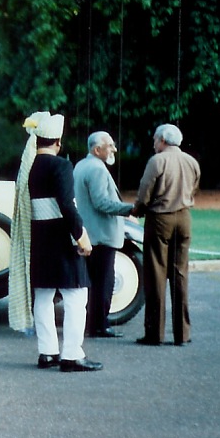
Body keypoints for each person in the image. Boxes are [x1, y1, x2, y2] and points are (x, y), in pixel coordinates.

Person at [8, 111, 103, 372]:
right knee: (76, 296)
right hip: (61, 238)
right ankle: (72, 354)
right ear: (58, 141)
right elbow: (67, 207)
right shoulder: (61, 166)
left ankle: (47, 352)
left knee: (44, 295)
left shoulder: (29, 167)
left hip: (39, 238)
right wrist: (81, 237)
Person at [133, 124, 201, 346]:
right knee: (180, 274)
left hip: (160, 218)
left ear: (162, 140)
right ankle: (183, 333)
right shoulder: (191, 161)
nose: (154, 143)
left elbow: (145, 192)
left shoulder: (157, 161)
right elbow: (194, 187)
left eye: (155, 139)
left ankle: (155, 333)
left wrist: (138, 211)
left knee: (156, 275)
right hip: (184, 218)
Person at [73, 131, 134, 338]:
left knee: (94, 283)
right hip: (102, 234)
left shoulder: (82, 165)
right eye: (110, 146)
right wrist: (129, 209)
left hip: (90, 233)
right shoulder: (97, 169)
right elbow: (101, 202)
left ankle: (94, 323)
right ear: (97, 150)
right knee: (104, 282)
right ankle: (100, 325)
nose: (113, 149)